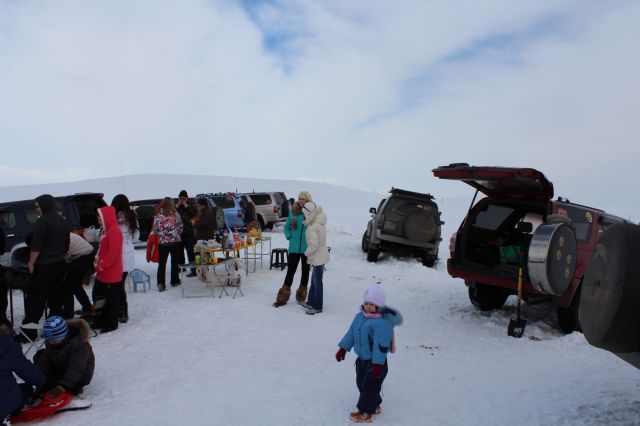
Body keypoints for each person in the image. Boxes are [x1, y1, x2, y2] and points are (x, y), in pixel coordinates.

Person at [335, 285, 403, 423]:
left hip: (375, 362)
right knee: (361, 383)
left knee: (369, 386)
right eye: (366, 303)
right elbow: (351, 333)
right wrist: (343, 348)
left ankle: (365, 412)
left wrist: (377, 364)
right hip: (362, 359)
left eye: (372, 304)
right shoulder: (359, 317)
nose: (368, 307)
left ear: (379, 306)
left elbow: (381, 347)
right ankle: (375, 403)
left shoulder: (382, 323)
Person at [19, 195, 70, 341]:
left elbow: (36, 246)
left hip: (44, 267)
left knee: (35, 301)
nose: (36, 209)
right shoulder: (63, 221)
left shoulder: (43, 221)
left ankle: (29, 334)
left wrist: (31, 263)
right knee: (55, 301)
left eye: (38, 206)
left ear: (45, 205)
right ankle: (56, 331)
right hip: (60, 265)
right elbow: (66, 245)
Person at [36, 315, 95, 398]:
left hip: (79, 376)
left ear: (63, 335)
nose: (51, 342)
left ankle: (72, 387)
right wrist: (38, 377)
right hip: (62, 367)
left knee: (55, 383)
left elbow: (76, 368)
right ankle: (49, 384)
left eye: (54, 339)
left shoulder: (78, 344)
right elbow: (45, 359)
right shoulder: (51, 342)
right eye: (49, 339)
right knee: (39, 355)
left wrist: (62, 387)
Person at [0, 318, 46, 423]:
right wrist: (44, 381)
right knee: (26, 389)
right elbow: (29, 373)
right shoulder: (8, 345)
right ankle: (7, 414)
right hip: (3, 403)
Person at [273, 191, 313, 307]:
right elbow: (286, 227)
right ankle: (282, 298)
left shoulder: (311, 213)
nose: (301, 201)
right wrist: (289, 236)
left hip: (306, 248)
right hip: (294, 248)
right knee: (290, 272)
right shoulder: (293, 211)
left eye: (303, 199)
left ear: (307, 200)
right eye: (299, 198)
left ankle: (301, 297)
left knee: (305, 273)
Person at [91, 206, 123, 333]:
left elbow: (112, 253)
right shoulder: (107, 230)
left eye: (100, 217)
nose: (98, 220)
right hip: (103, 272)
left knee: (110, 300)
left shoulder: (114, 230)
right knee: (99, 296)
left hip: (110, 273)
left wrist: (102, 264)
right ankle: (100, 320)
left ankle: (110, 323)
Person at [111, 194, 140, 323]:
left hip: (115, 254)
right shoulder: (132, 217)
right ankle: (122, 311)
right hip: (127, 254)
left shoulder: (112, 217)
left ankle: (118, 311)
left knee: (116, 285)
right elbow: (136, 237)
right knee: (120, 284)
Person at [300, 201, 329, 315]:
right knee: (314, 281)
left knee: (317, 282)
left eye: (304, 214)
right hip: (321, 254)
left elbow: (314, 245)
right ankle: (311, 302)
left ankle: (317, 306)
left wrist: (306, 253)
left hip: (317, 255)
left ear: (308, 213)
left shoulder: (312, 226)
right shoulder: (319, 221)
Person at [151, 197, 183, 291]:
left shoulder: (158, 215)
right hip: (174, 242)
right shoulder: (175, 214)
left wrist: (161, 235)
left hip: (162, 242)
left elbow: (155, 229)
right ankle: (174, 281)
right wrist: (176, 233)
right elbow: (180, 226)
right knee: (174, 262)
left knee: (162, 263)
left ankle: (161, 283)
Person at [61, 232, 95, 319]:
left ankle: (68, 313)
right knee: (75, 285)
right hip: (85, 254)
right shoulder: (60, 233)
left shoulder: (59, 237)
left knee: (67, 286)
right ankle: (87, 307)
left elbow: (64, 256)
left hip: (84, 255)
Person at [176, 190, 197, 277]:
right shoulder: (177, 207)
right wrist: (177, 205)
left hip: (188, 232)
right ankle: (182, 267)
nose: (182, 200)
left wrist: (186, 205)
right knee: (179, 251)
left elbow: (194, 213)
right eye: (180, 198)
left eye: (183, 198)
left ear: (187, 198)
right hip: (179, 233)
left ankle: (193, 270)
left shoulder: (190, 206)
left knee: (190, 251)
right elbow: (172, 213)